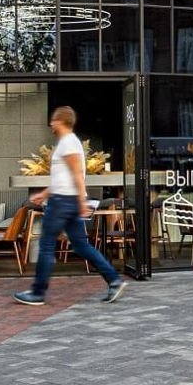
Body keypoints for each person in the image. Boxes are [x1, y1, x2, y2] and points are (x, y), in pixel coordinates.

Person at [16, 106, 127, 305]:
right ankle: (113, 280)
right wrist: (44, 194)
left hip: (63, 202)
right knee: (81, 245)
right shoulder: (69, 143)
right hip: (68, 200)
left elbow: (77, 174)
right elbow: (64, 177)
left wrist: (82, 200)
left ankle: (38, 293)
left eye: (53, 120)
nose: (51, 123)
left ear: (61, 121)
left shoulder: (68, 143)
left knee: (46, 245)